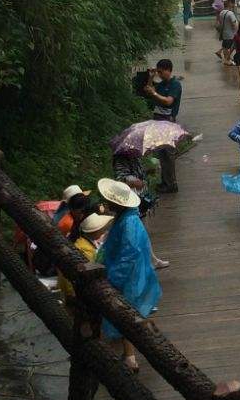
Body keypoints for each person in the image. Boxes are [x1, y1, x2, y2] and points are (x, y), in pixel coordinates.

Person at [96, 178, 162, 372]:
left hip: (129, 275)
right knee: (134, 311)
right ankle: (143, 338)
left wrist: (114, 277)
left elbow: (130, 252)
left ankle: (130, 357)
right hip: (132, 271)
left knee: (126, 313)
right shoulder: (126, 218)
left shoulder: (129, 223)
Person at [144, 58, 183, 193]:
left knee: (168, 153)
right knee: (161, 153)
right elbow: (149, 90)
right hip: (158, 120)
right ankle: (165, 182)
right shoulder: (161, 85)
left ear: (168, 70)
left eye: (161, 72)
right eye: (158, 72)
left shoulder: (175, 85)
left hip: (168, 121)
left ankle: (172, 183)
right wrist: (150, 78)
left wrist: (154, 93)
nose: (160, 75)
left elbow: (168, 101)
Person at [60, 212, 113, 307]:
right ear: (96, 232)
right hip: (76, 294)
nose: (104, 231)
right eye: (102, 230)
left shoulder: (81, 242)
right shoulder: (85, 249)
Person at [218, 0, 240, 64]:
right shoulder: (230, 13)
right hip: (231, 34)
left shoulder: (221, 13)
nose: (234, 5)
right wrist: (238, 31)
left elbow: (220, 23)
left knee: (225, 47)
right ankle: (228, 60)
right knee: (231, 47)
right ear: (230, 4)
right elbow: (234, 24)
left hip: (225, 33)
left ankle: (227, 59)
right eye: (233, 4)